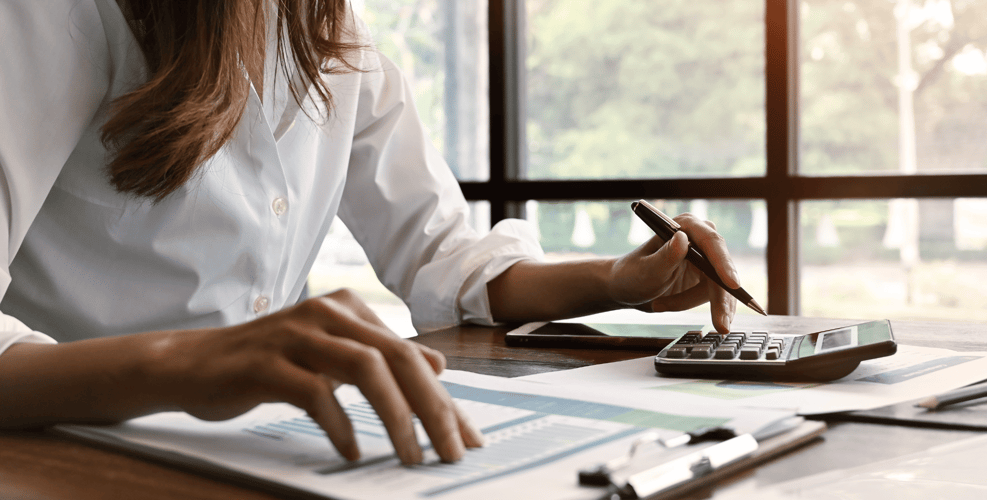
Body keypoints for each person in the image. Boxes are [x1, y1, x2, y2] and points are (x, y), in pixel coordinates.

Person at [0, 0, 740, 466]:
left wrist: (615, 281)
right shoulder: (51, 16)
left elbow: (443, 253)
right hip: (68, 462)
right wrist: (192, 363)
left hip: (270, 455)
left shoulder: (330, 32)